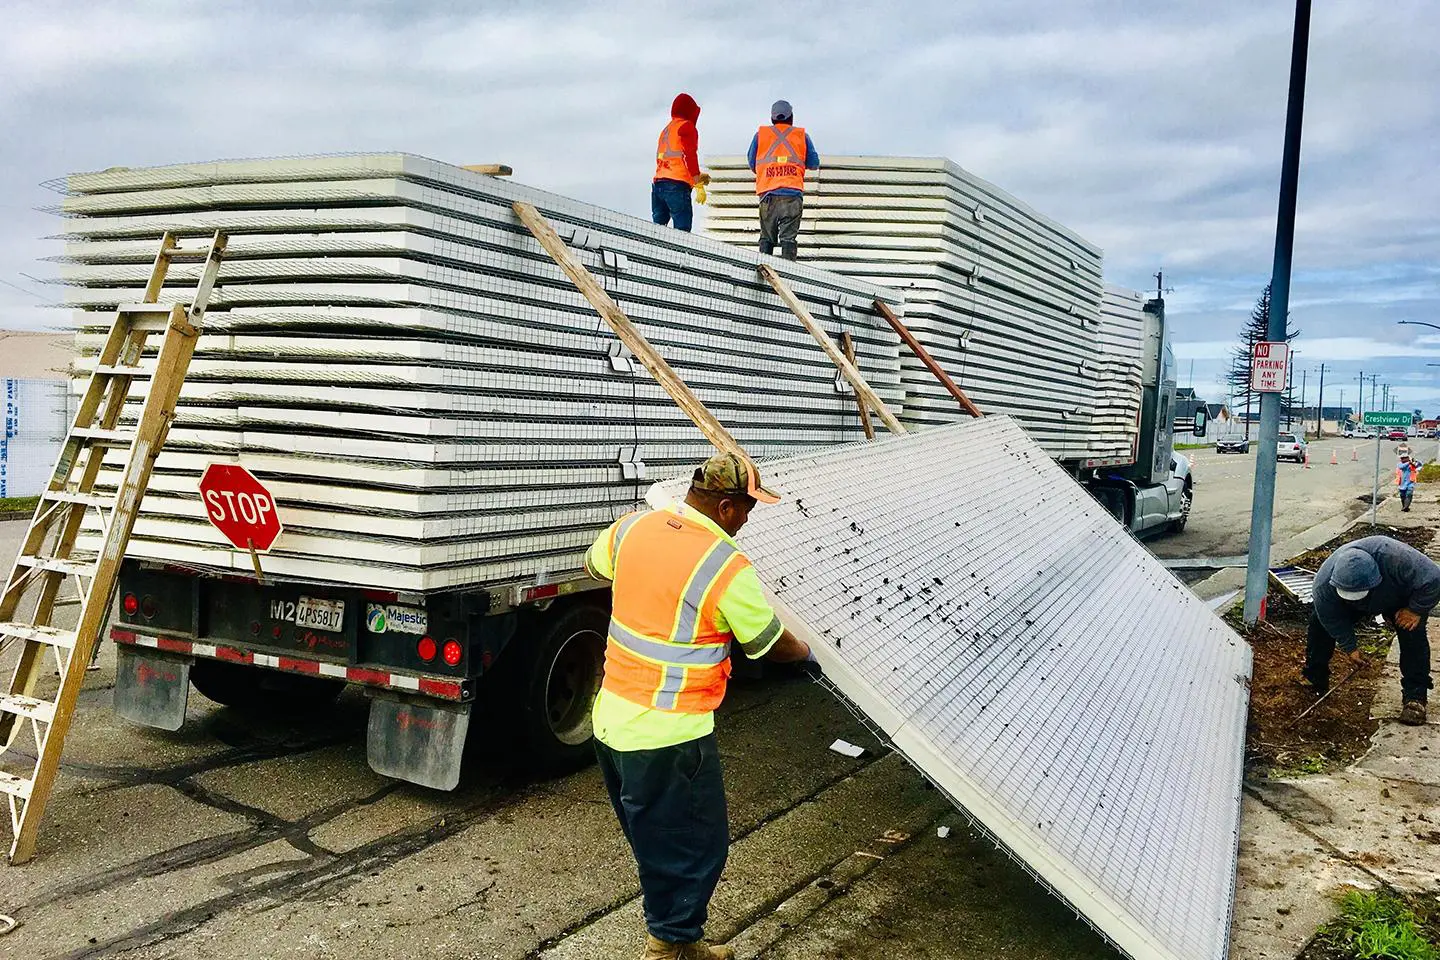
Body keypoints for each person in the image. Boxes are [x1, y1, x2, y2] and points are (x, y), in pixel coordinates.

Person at [583, 452, 813, 960]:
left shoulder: (632, 528)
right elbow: (769, 643)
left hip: (613, 720)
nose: (749, 520)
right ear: (727, 507)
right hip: (670, 734)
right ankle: (670, 947)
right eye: (749, 509)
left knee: (656, 839)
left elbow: (594, 565)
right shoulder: (723, 566)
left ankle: (676, 939)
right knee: (694, 844)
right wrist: (813, 654)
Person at [1302, 535, 1440, 726]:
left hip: (1400, 598)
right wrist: (1350, 647)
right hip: (1358, 598)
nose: (1355, 600)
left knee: (1412, 637)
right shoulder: (1324, 585)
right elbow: (1331, 617)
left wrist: (1415, 609)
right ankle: (1315, 678)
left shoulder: (1397, 558)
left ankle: (1415, 698)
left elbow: (1434, 579)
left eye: (1358, 596)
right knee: (1319, 625)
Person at [747, 99, 820, 260]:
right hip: (792, 195)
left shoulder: (760, 136)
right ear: (791, 116)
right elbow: (814, 163)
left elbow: (752, 163)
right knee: (788, 239)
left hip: (768, 196)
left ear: (772, 118)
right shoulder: (802, 136)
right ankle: (787, 278)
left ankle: (763, 278)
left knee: (767, 238)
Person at [653, 93, 708, 232]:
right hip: (676, 188)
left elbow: (672, 159)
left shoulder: (666, 130)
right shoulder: (687, 127)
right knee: (682, 233)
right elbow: (689, 155)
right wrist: (698, 182)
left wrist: (698, 175)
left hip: (658, 186)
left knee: (657, 232)